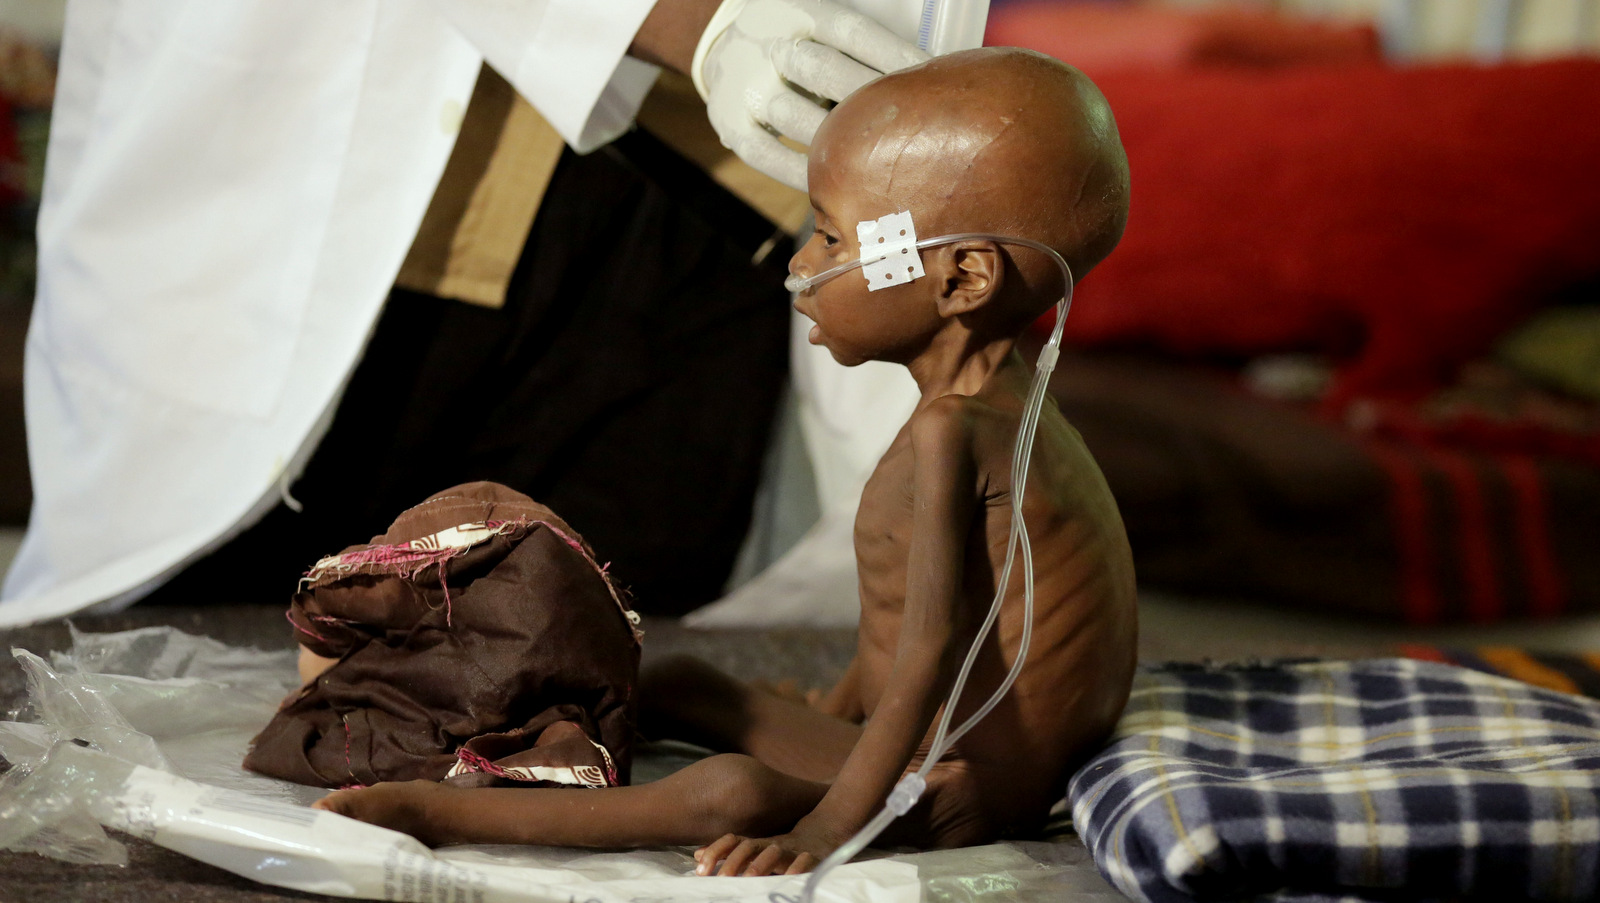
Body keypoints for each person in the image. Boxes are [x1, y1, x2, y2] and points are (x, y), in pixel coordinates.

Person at [314, 46, 1137, 876]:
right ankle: (516, 745)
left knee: (730, 791)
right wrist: (839, 708)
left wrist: (827, 827)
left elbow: (927, 655)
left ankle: (436, 810)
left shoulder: (952, 433)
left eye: (829, 237)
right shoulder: (1006, 404)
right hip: (950, 744)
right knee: (685, 682)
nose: (800, 267)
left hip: (959, 783)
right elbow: (963, 608)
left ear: (962, 278)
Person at [0, 0, 930, 625]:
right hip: (327, 190)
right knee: (213, 678)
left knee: (597, 667)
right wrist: (690, 24)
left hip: (708, 191)